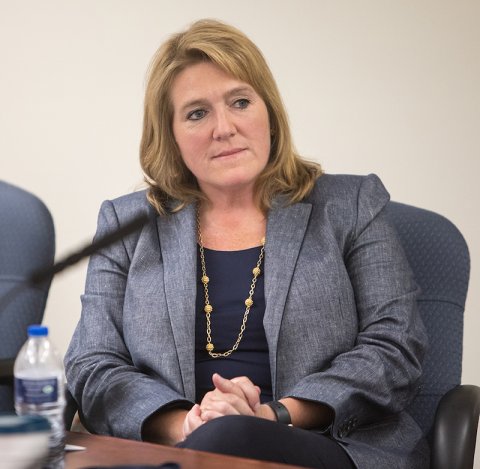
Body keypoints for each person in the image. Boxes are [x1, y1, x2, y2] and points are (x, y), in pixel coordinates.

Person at [65, 19, 429, 468]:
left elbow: (395, 347)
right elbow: (93, 363)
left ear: (269, 113)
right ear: (171, 135)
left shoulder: (350, 206)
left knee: (231, 434)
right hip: (173, 446)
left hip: (325, 444)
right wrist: (188, 424)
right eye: (197, 113)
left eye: (240, 102)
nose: (224, 128)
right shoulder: (127, 225)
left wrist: (271, 416)